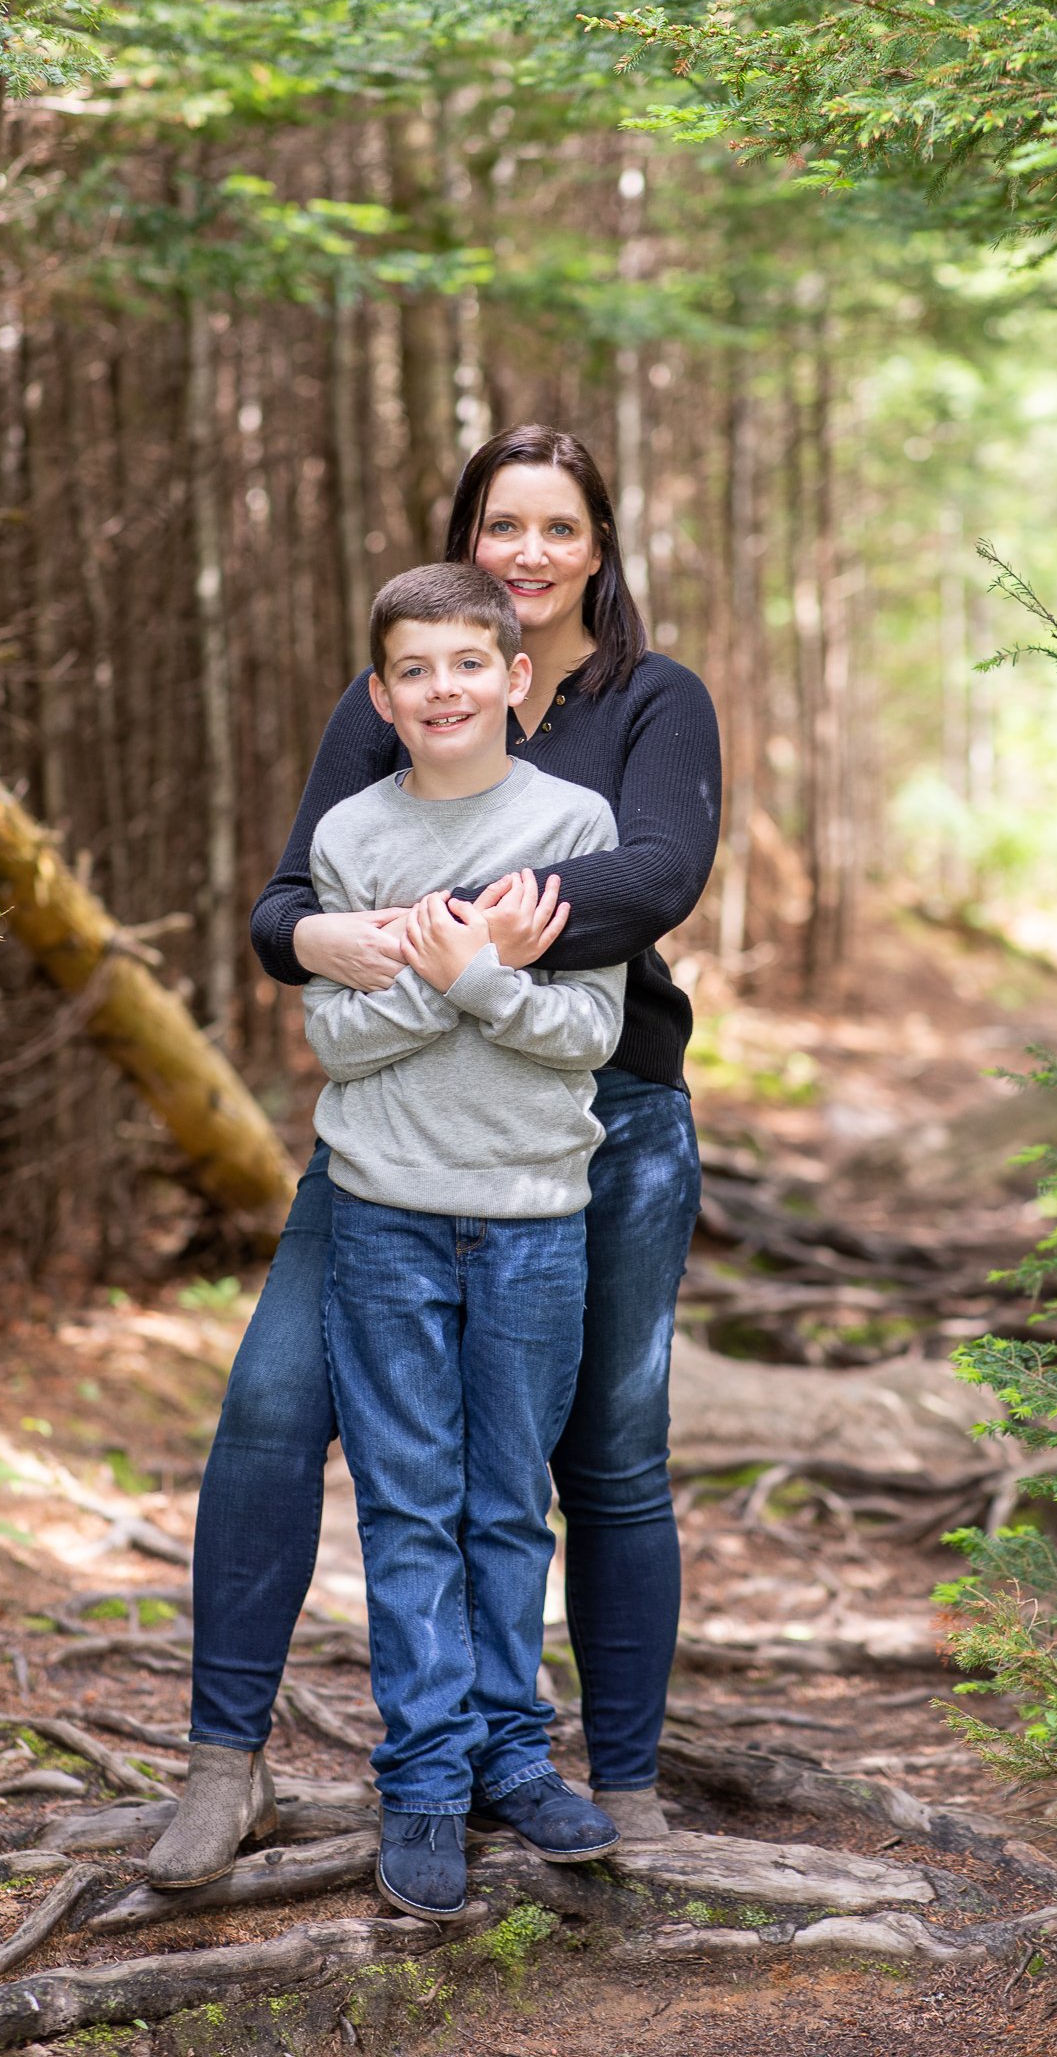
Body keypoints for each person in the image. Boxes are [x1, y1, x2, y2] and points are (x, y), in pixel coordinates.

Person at [148, 423, 720, 1895]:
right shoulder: (402, 682)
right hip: (394, 1144)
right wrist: (331, 939)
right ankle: (226, 1764)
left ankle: (620, 1780)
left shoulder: (650, 703)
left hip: (597, 1122)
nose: (527, 555)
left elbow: (658, 876)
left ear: (600, 547)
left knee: (599, 1460)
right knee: (275, 1417)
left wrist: (464, 926)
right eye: (501, 526)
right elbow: (296, 902)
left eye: (558, 529)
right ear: (466, 540)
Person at [304, 560, 624, 1918]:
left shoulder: (576, 820)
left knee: (508, 1505)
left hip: (535, 1222)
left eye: (466, 665)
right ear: (383, 695)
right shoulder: (353, 839)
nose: (443, 689)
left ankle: (513, 1757)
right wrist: (462, 980)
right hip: (381, 1216)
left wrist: (470, 975)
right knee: (407, 1510)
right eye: (413, 671)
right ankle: (423, 1778)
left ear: (514, 679)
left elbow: (585, 1039)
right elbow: (336, 1040)